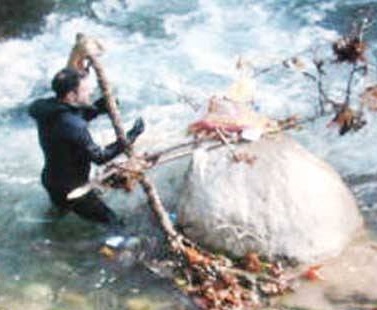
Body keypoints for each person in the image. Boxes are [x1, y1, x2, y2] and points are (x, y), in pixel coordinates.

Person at [29, 67, 144, 228]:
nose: (89, 93)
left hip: (51, 180)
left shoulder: (44, 108)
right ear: (71, 95)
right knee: (115, 224)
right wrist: (130, 137)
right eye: (85, 90)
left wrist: (97, 109)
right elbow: (100, 157)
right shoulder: (74, 126)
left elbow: (68, 118)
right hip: (72, 189)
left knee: (57, 217)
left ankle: (50, 239)